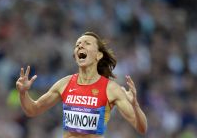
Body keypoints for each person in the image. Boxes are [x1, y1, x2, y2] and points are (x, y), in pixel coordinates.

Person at [16, 32, 147, 138]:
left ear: (98, 55)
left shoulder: (111, 89)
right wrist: (23, 93)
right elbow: (33, 110)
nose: (80, 46)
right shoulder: (65, 84)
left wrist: (135, 105)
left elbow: (141, 128)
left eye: (87, 43)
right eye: (78, 44)